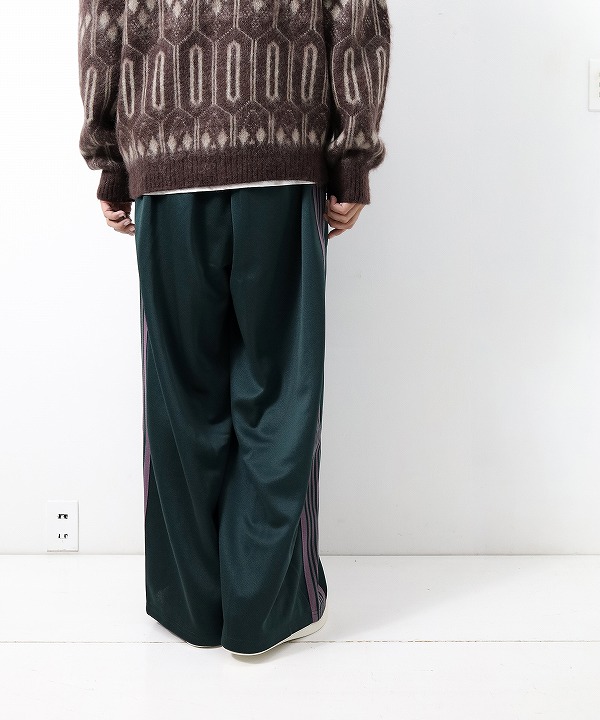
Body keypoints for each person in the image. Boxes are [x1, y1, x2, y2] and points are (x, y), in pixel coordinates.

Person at [77, 0, 391, 656]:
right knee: (280, 391)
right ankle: (265, 611)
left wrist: (111, 157)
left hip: (164, 151)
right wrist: (352, 154)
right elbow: (356, 12)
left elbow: (101, 18)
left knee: (179, 396)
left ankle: (190, 608)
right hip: (281, 150)